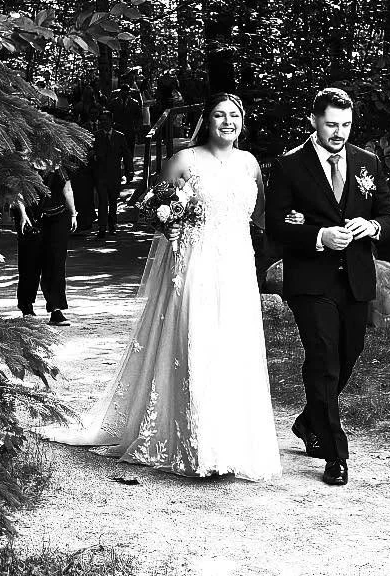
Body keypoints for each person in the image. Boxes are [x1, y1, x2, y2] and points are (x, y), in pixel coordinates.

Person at [41, 93, 280, 480]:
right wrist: (168, 222)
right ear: (207, 120)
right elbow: (150, 205)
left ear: (243, 120)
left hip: (236, 267)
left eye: (235, 115)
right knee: (196, 343)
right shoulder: (186, 159)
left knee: (234, 347)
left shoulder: (250, 164)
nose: (227, 122)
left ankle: (235, 444)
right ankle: (199, 445)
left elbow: (260, 217)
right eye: (219, 115)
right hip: (196, 265)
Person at [266, 86, 390, 487]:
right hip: (311, 279)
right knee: (324, 357)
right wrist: (318, 236)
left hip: (356, 278)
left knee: (348, 353)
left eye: (345, 124)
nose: (339, 132)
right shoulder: (290, 165)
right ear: (314, 121)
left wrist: (373, 226)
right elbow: (274, 226)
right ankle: (334, 452)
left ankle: (309, 421)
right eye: (331, 124)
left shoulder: (368, 163)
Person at [15, 165, 78, 325]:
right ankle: (26, 308)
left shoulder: (60, 166)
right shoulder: (24, 163)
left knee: (56, 263)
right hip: (31, 217)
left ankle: (56, 309)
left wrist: (73, 213)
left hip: (57, 217)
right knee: (30, 262)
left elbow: (68, 190)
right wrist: (22, 214)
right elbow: (18, 191)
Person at [88, 112, 129, 239]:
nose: (103, 122)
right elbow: (89, 153)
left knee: (113, 201)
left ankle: (112, 225)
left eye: (105, 120)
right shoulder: (95, 136)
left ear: (111, 121)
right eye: (101, 120)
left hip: (114, 174)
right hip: (100, 174)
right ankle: (102, 227)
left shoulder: (119, 137)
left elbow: (126, 155)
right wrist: (94, 156)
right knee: (102, 201)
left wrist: (129, 172)